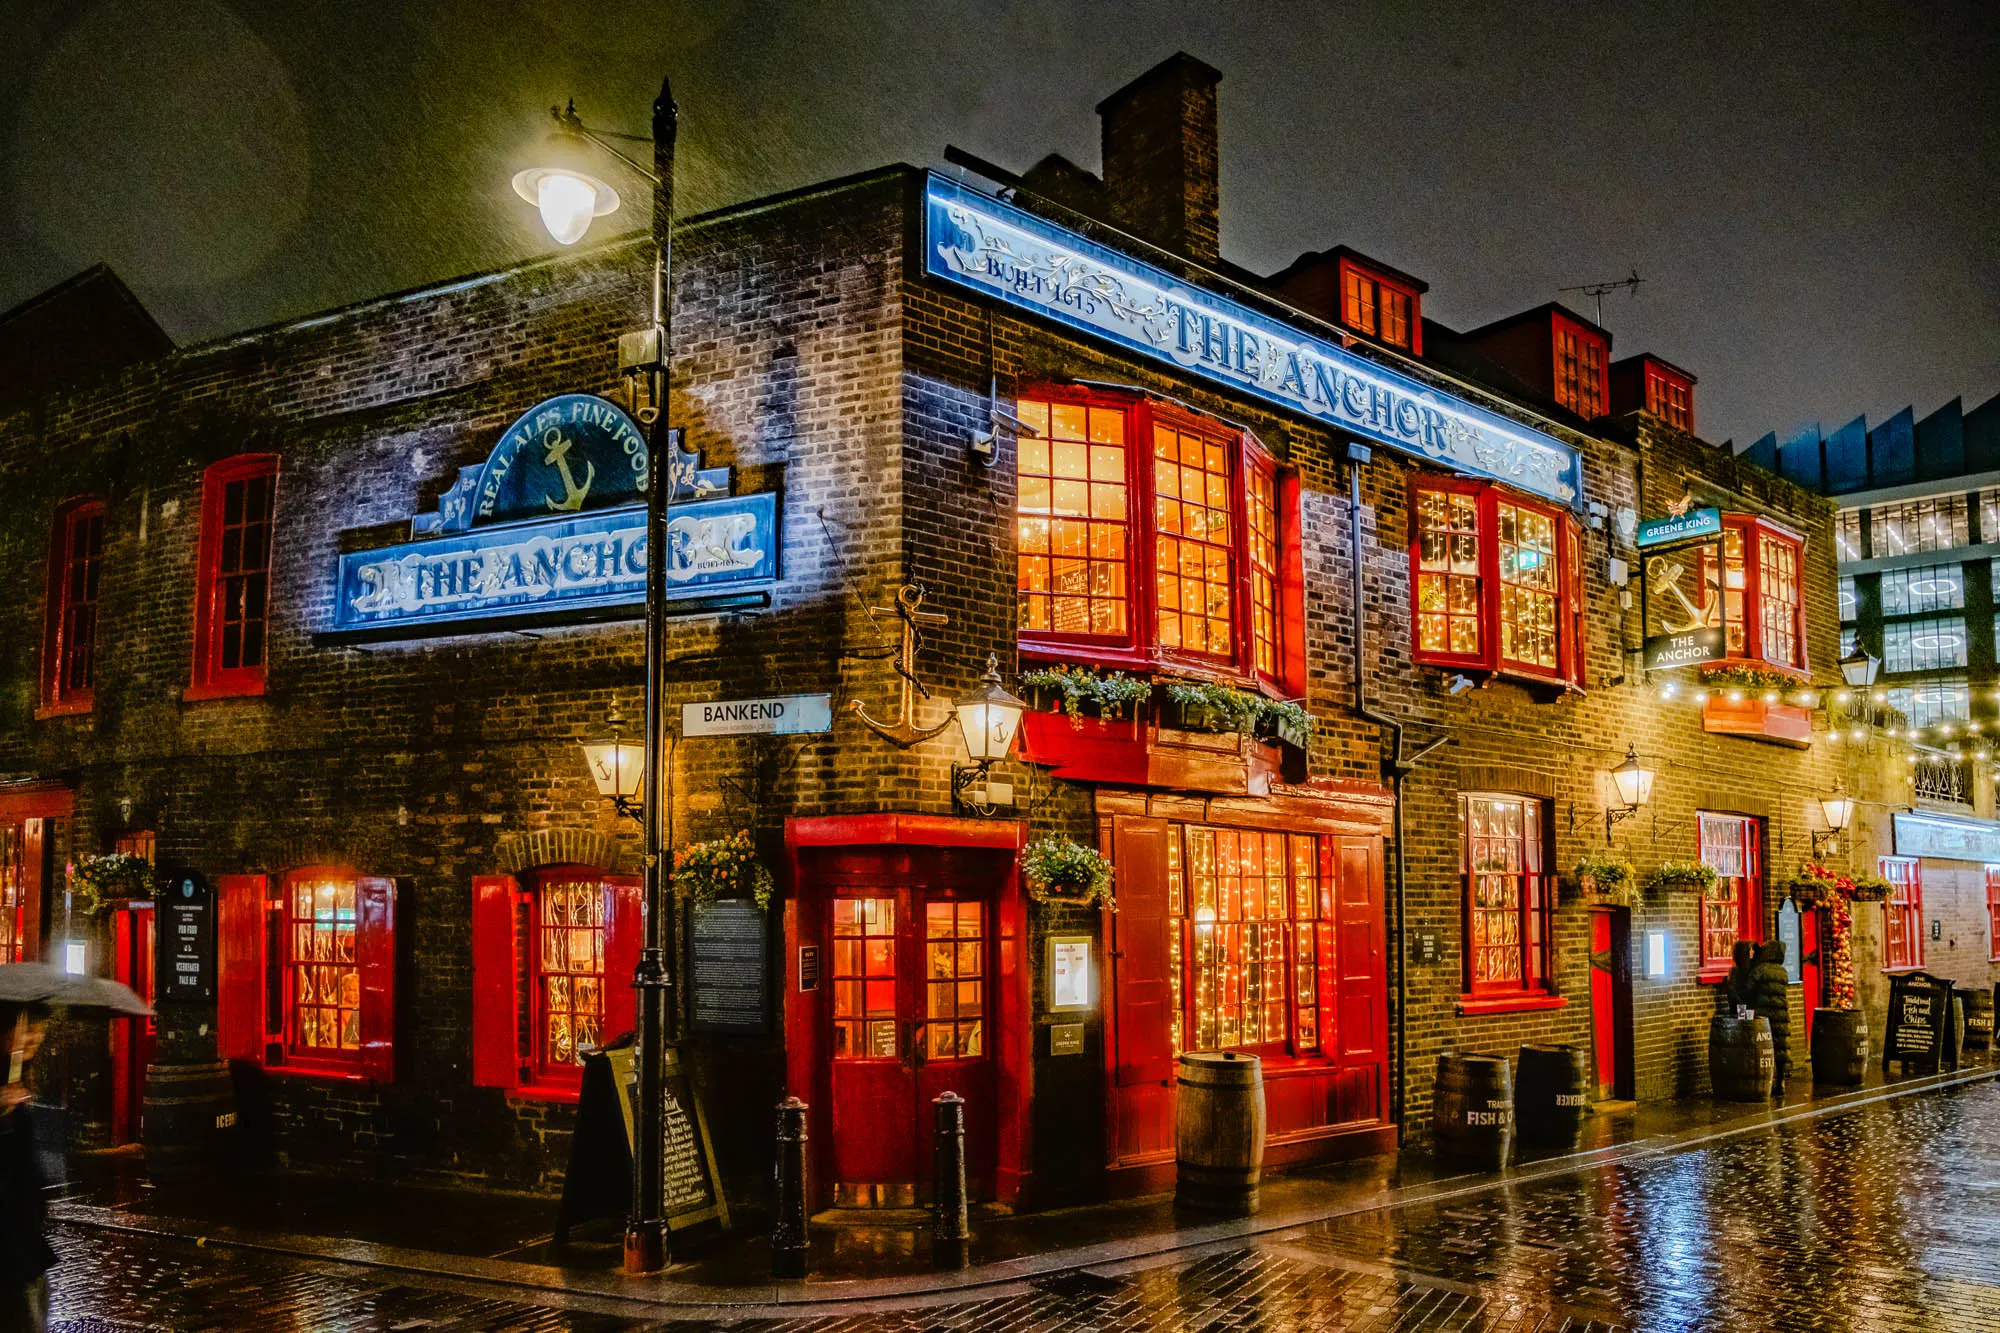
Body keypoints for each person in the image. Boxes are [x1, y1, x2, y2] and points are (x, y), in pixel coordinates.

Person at [0, 1002, 53, 1333]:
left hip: (24, 1240)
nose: (35, 1036)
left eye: (39, 1027)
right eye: (26, 1026)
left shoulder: (18, 1078)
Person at [1749, 940, 1794, 1096]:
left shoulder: (1760, 970)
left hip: (1765, 1015)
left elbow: (1748, 987)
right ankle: (1780, 1082)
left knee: (1765, 1048)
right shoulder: (1782, 971)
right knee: (1780, 1048)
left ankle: (1766, 1082)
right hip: (1781, 1015)